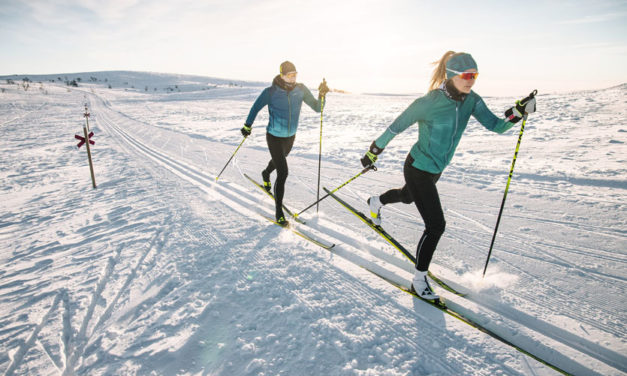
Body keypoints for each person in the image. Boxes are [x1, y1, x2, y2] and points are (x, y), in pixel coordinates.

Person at [360, 51, 536, 300]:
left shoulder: (472, 100)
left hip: (436, 170)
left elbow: (496, 126)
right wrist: (373, 151)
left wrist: (517, 112)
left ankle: (375, 202)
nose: (471, 80)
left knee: (407, 196)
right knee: (436, 225)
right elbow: (395, 127)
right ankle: (419, 280)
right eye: (466, 75)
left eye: (475, 75)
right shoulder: (429, 101)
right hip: (418, 167)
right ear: (452, 75)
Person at [242, 61, 330, 226]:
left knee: (278, 161)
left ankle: (265, 173)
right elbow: (255, 108)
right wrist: (247, 125)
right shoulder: (271, 92)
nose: (293, 78)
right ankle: (278, 212)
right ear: (282, 75)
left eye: (295, 74)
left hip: (290, 137)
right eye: (290, 75)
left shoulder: (301, 89)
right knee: (283, 172)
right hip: (273, 137)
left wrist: (322, 95)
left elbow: (318, 108)